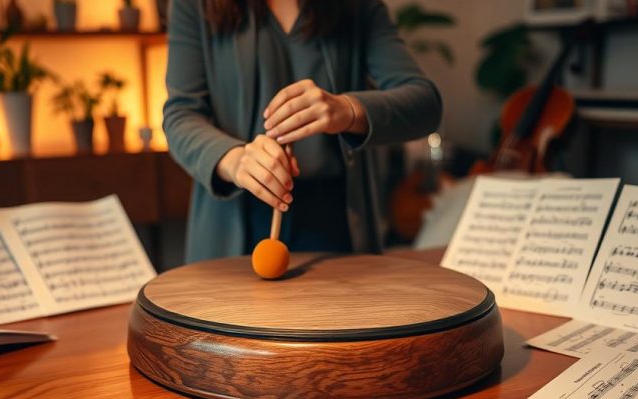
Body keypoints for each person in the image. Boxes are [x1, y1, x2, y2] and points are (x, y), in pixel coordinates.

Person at [163, 0, 442, 263]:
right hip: (234, 221)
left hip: (336, 224)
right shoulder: (195, 4)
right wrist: (234, 160)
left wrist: (347, 110)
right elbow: (181, 115)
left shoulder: (357, 6)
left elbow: (426, 103)